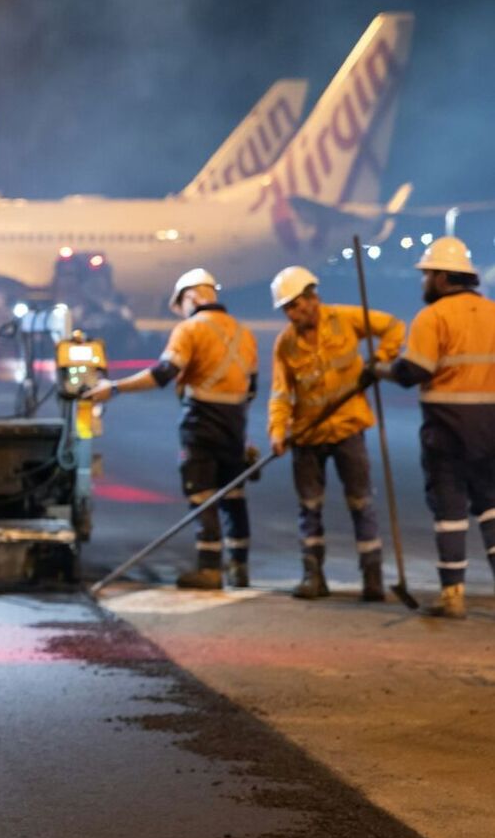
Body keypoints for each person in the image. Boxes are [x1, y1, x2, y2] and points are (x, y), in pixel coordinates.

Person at [85, 269, 259, 589]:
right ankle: (239, 567)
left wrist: (115, 388)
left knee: (201, 492)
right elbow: (251, 388)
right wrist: (243, 435)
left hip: (202, 424)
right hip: (235, 425)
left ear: (191, 297)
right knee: (234, 495)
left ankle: (209, 569)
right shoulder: (243, 332)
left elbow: (164, 373)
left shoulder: (189, 329)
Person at [265, 266, 403, 600]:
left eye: (297, 305)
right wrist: (277, 431)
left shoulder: (344, 319)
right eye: (288, 309)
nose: (294, 314)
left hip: (347, 427)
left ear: (313, 297)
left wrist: (378, 362)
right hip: (307, 436)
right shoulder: (285, 344)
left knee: (360, 503)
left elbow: (394, 328)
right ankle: (313, 575)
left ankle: (372, 578)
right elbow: (281, 393)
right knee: (309, 507)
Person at [379, 236, 495, 619]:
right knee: (491, 507)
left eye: (427, 275)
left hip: (447, 427)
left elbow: (415, 370)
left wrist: (379, 371)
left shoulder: (432, 317)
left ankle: (453, 595)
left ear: (444, 277)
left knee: (449, 508)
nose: (424, 282)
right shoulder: (493, 312)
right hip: (490, 426)